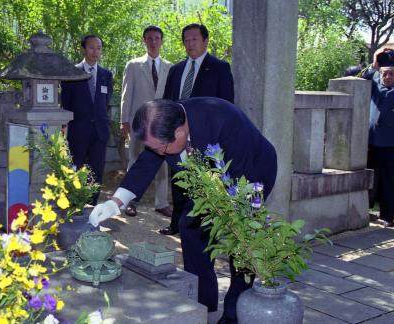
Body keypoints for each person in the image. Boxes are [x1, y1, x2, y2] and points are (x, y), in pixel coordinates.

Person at [89, 97, 277, 324]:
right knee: (191, 227)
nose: (159, 153)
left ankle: (234, 312)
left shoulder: (223, 119)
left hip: (251, 170)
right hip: (207, 179)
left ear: (179, 133)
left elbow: (242, 177)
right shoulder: (165, 121)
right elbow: (146, 162)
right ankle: (201, 299)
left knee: (242, 241)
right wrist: (115, 203)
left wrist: (231, 214)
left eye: (161, 149)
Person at [162, 23, 235, 236]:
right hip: (177, 137)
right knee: (179, 181)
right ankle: (176, 225)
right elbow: (168, 102)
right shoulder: (176, 70)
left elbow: (226, 104)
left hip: (206, 138)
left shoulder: (220, 67)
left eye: (194, 38)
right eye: (186, 39)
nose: (190, 43)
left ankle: (206, 230)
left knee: (206, 184)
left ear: (205, 41)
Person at [120, 25, 173, 218]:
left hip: (161, 124)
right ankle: (130, 201)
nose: (153, 42)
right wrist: (124, 120)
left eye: (157, 38)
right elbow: (126, 95)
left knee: (162, 165)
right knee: (134, 162)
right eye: (149, 38)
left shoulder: (170, 67)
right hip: (138, 122)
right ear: (144, 41)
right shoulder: (133, 65)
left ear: (161, 41)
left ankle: (162, 203)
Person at [61, 35, 113, 204]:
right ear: (83, 49)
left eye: (98, 48)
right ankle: (73, 203)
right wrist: (65, 126)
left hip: (99, 130)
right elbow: (66, 103)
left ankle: (92, 203)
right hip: (77, 129)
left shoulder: (106, 74)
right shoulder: (71, 73)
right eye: (91, 48)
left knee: (96, 168)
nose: (95, 52)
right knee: (74, 166)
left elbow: (105, 101)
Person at [362, 47, 394, 228]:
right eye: (385, 73)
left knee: (389, 181)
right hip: (372, 142)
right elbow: (362, 77)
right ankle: (365, 211)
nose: (387, 77)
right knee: (369, 178)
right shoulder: (376, 81)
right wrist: (375, 61)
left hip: (392, 144)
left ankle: (388, 215)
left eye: (392, 74)